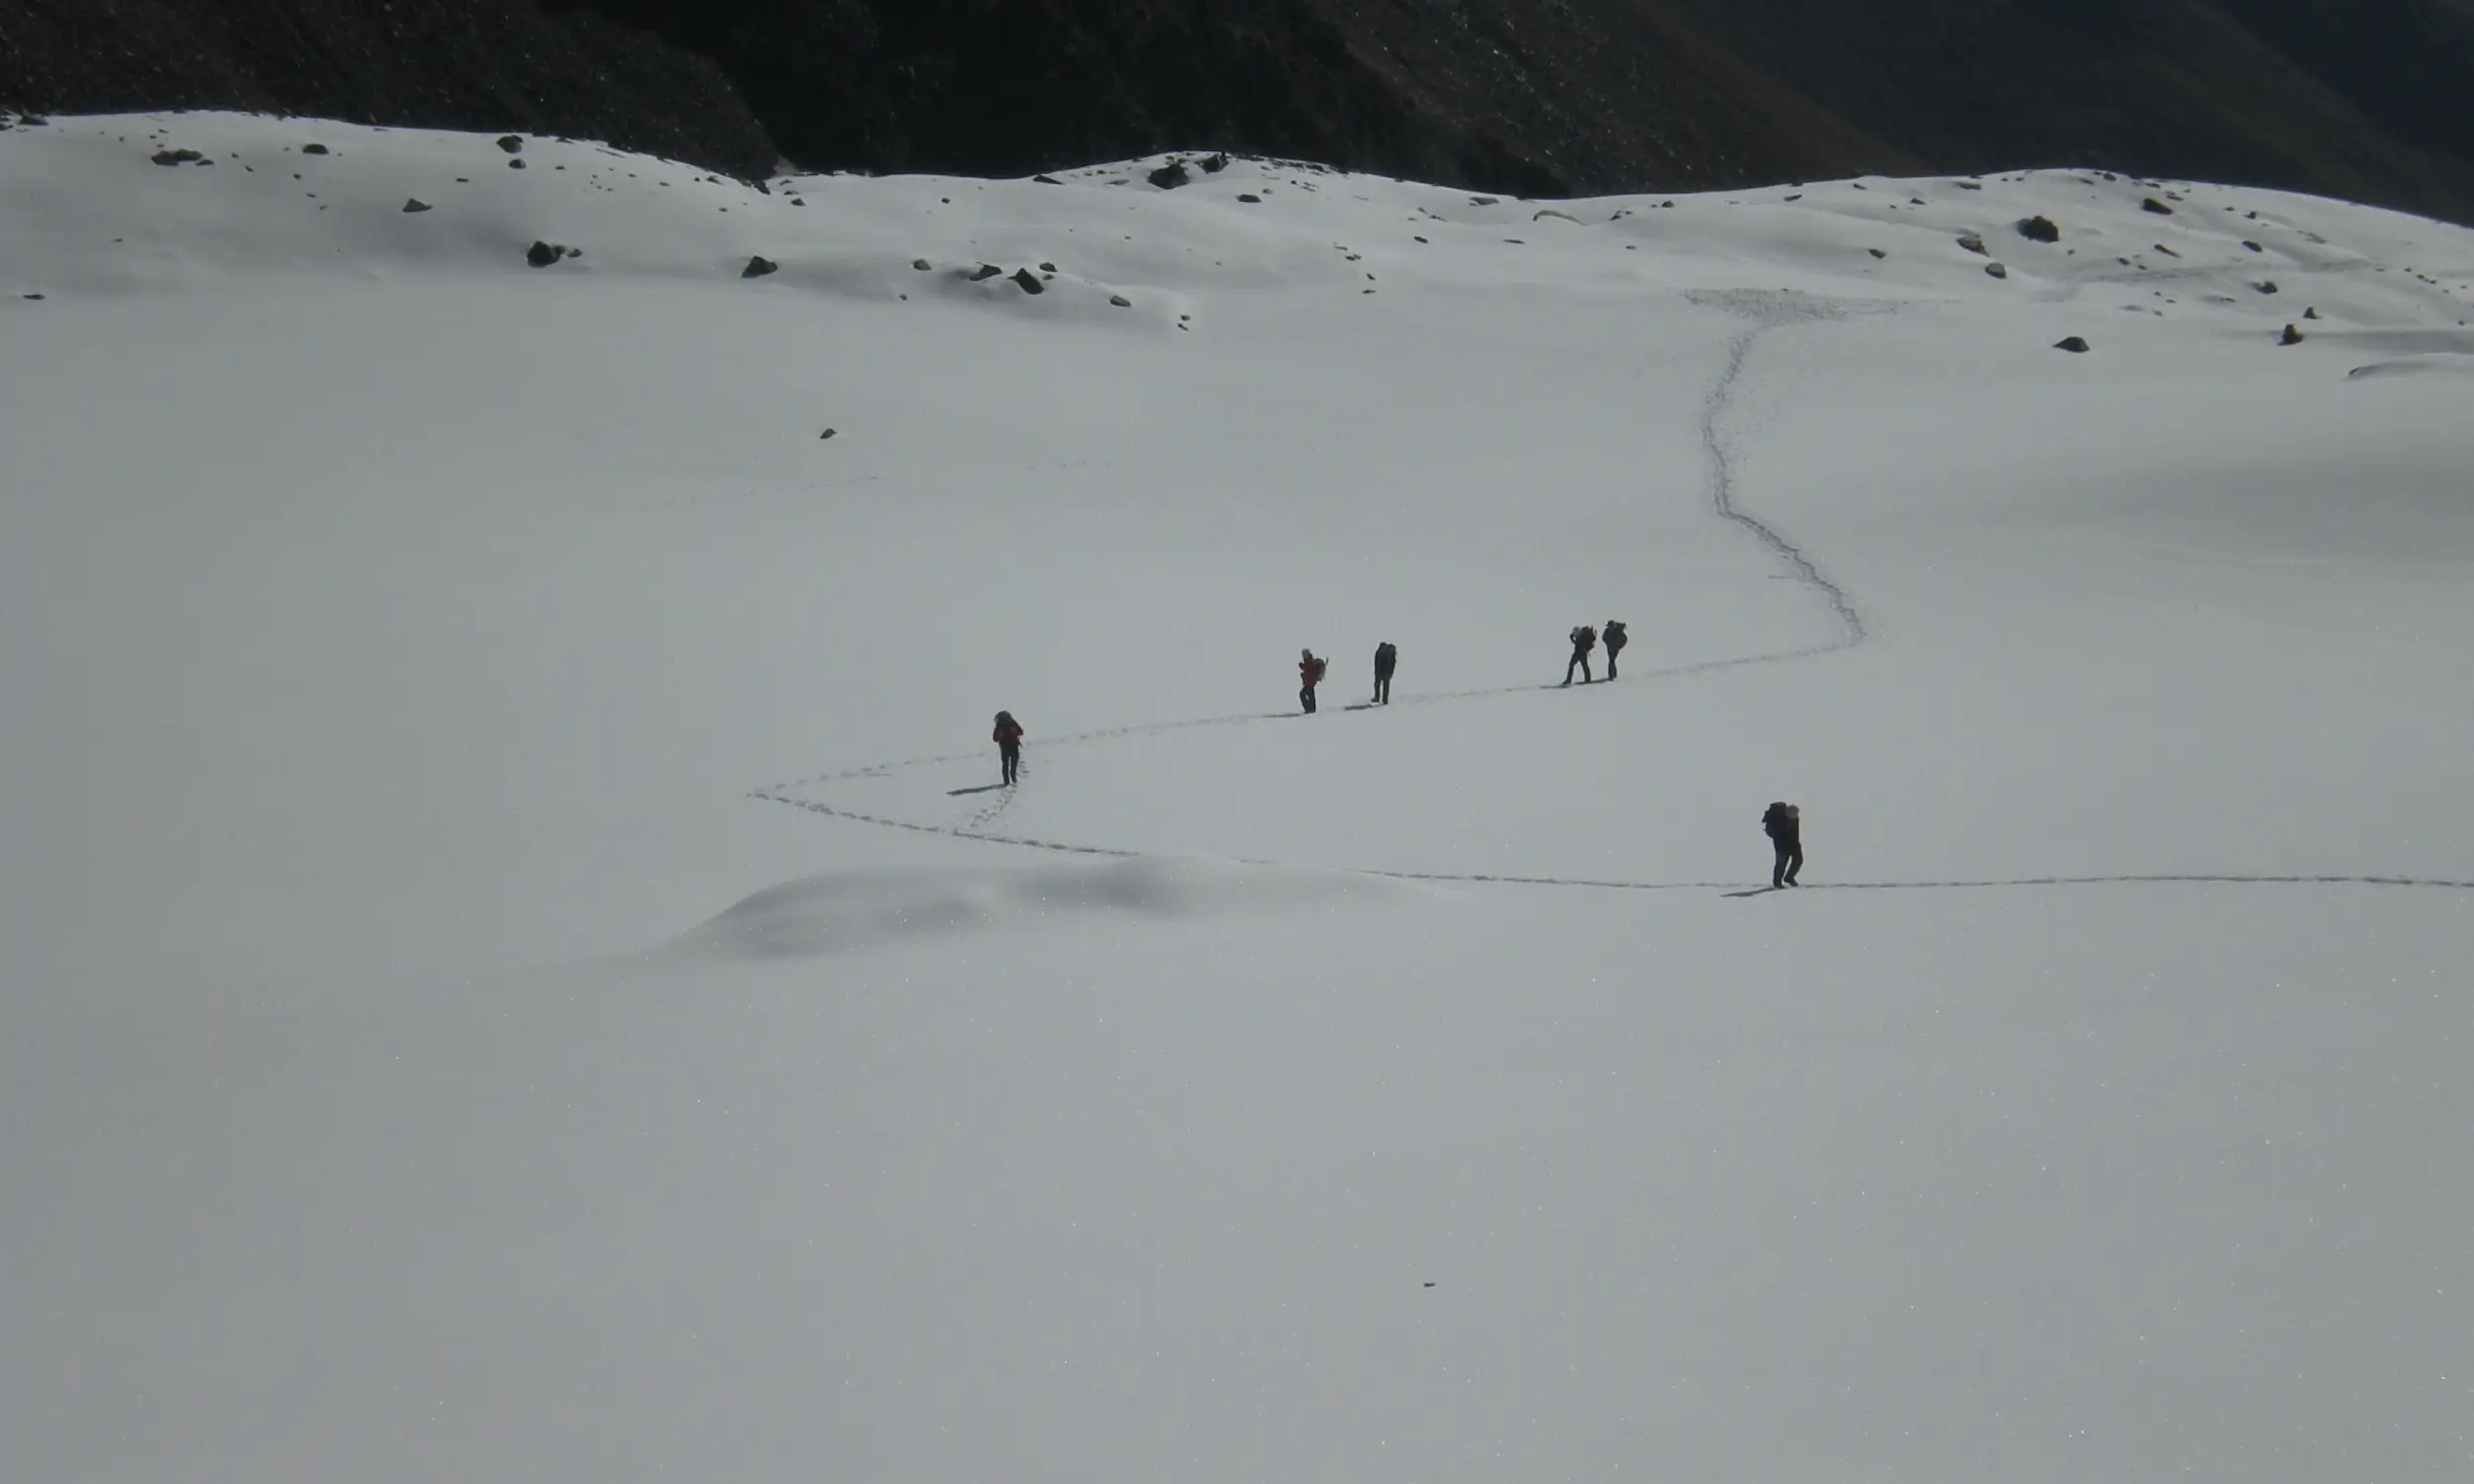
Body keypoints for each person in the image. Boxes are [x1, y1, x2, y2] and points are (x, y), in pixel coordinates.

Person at [1761, 800, 1803, 887]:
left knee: (1798, 860)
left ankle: (1789, 878)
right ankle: (1777, 883)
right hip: (1781, 844)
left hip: (1793, 843)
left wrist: (1796, 842)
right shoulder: (1780, 819)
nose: (1795, 816)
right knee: (1781, 864)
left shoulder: (1794, 818)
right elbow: (1777, 833)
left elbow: (1795, 832)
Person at [993, 710, 1024, 786]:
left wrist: (1014, 731)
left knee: (1012, 761)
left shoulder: (1012, 723)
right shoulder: (1000, 726)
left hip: (1012, 745)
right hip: (1006, 746)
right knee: (1006, 762)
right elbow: (995, 738)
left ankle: (1011, 776)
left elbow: (1020, 732)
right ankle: (1007, 780)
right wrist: (1000, 734)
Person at [1299, 648, 1326, 713]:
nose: (1303, 656)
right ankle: (1311, 709)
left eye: (1304, 654)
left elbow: (1308, 668)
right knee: (1310, 695)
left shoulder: (1309, 661)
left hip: (1310, 682)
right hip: (1311, 681)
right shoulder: (1309, 661)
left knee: (1303, 694)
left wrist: (1302, 666)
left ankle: (1309, 709)